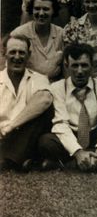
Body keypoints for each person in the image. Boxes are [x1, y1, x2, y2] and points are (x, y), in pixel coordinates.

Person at [38, 43, 97, 171]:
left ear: (92, 66)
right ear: (66, 66)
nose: (80, 71)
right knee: (46, 141)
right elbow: (60, 124)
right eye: (75, 66)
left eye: (84, 65)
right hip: (70, 135)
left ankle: (68, 165)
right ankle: (91, 162)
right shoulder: (57, 88)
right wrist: (78, 152)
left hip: (95, 136)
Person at [0, 35, 53, 171]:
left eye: (22, 52)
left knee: (44, 112)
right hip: (2, 138)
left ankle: (9, 160)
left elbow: (45, 99)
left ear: (29, 55)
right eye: (12, 52)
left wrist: (11, 126)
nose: (17, 57)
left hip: (25, 133)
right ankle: (25, 160)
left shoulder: (38, 78)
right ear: (4, 53)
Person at [11, 0, 63, 81]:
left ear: (53, 11)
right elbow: (12, 69)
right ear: (32, 10)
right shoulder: (19, 34)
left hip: (55, 87)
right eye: (37, 9)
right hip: (27, 86)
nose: (41, 13)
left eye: (46, 9)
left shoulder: (61, 34)